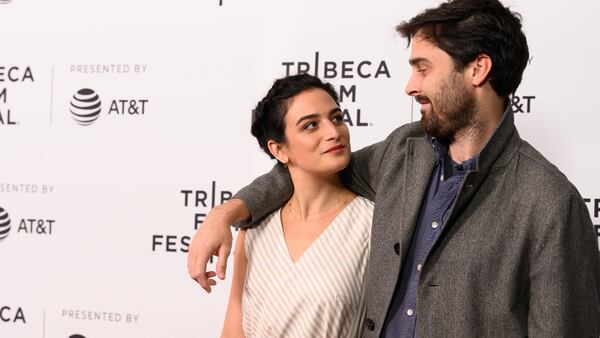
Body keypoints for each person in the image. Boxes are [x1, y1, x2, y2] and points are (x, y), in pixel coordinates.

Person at [189, 0, 600, 337]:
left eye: (423, 67)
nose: (410, 85)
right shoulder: (404, 151)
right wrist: (225, 214)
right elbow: (307, 168)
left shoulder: (549, 204)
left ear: (478, 69)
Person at [219, 74, 374, 337]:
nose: (333, 132)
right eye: (311, 125)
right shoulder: (255, 232)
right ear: (279, 150)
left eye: (336, 117)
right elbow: (235, 328)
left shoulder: (374, 224)